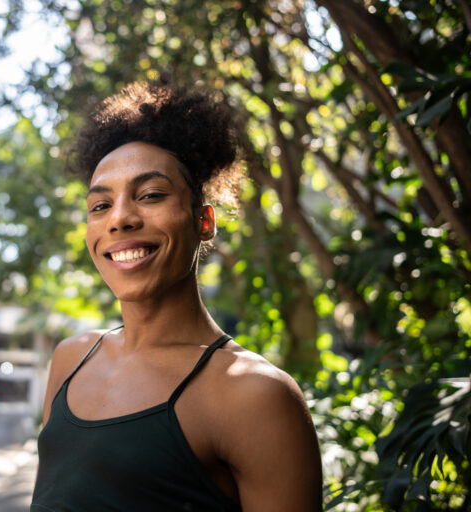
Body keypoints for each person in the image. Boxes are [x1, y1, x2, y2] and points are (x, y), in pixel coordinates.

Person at [30, 81, 322, 511]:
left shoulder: (253, 395)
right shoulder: (71, 360)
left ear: (204, 221)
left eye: (150, 195)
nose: (120, 219)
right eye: (100, 206)